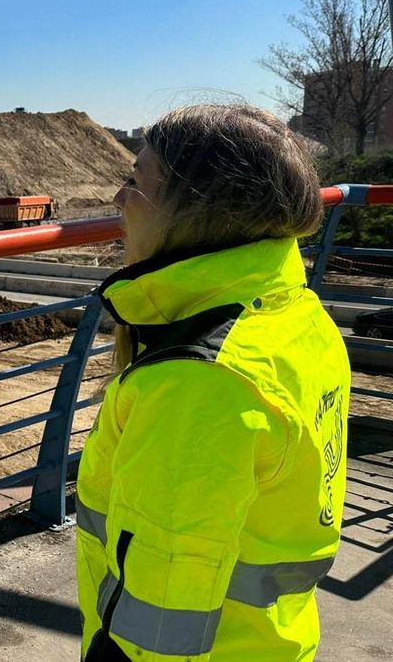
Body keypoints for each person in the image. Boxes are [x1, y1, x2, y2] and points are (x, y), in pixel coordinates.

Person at [76, 104, 350, 660]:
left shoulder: (197, 385)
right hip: (269, 642)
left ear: (195, 210)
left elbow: (162, 618)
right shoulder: (297, 315)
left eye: (137, 181)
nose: (119, 199)